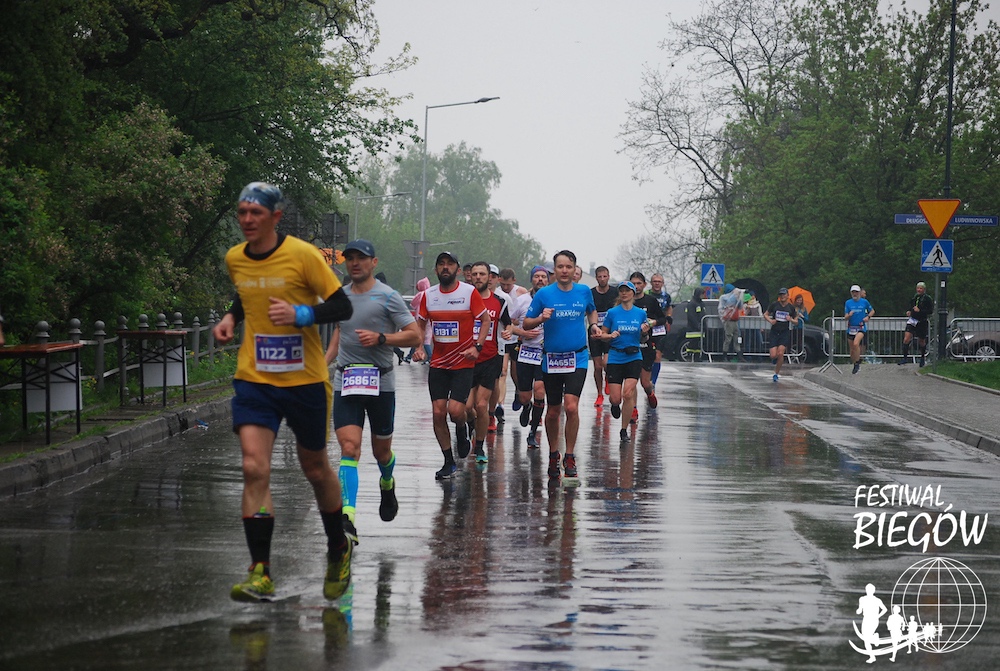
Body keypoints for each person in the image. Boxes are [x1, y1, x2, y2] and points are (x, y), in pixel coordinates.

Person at [213, 182, 355, 602]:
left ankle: (338, 546)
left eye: (255, 213)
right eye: (242, 212)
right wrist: (230, 318)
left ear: (275, 217)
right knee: (253, 467)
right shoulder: (235, 258)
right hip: (255, 378)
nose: (247, 220)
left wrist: (301, 313)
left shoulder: (303, 255)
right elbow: (246, 293)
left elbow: (342, 306)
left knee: (316, 469)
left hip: (304, 380)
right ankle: (260, 571)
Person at [323, 239, 422, 545]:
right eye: (350, 258)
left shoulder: (388, 297)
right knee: (349, 448)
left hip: (381, 383)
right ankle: (347, 518)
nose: (355, 263)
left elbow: (415, 336)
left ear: (373, 262)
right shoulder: (339, 297)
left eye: (361, 258)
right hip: (347, 381)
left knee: (381, 452)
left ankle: (387, 482)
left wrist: (382, 338)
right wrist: (321, 365)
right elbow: (339, 332)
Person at [412, 251, 491, 479]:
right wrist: (419, 347)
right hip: (438, 363)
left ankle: (462, 428)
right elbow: (420, 324)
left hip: (462, 363)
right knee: (438, 413)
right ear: (436, 269)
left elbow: (485, 320)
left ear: (457, 269)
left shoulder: (468, 293)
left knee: (456, 411)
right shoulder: (429, 295)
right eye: (441, 264)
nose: (445, 267)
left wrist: (477, 347)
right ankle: (448, 461)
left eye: (450, 264)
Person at [523, 250, 597, 480]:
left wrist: (594, 325)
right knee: (553, 410)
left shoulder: (584, 291)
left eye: (569, 267)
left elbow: (592, 311)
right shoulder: (544, 294)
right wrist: (541, 318)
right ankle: (554, 453)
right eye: (560, 267)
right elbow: (526, 323)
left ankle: (570, 455)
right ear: (554, 270)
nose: (565, 271)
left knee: (572, 407)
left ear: (575, 269)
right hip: (552, 359)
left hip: (578, 357)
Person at [465, 261, 511, 463]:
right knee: (467, 407)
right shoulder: (463, 300)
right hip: (466, 359)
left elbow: (508, 323)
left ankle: (480, 447)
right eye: (474, 274)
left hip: (489, 358)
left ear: (489, 277)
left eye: (482, 274)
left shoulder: (499, 302)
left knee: (481, 405)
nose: (478, 277)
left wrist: (508, 331)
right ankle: (471, 426)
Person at [597, 281, 648, 442]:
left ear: (633, 293)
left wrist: (644, 333)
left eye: (627, 290)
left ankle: (624, 430)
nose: (624, 293)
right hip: (615, 356)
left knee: (628, 394)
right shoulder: (612, 313)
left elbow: (644, 338)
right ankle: (614, 404)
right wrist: (610, 336)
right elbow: (602, 335)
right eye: (622, 291)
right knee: (616, 398)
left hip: (634, 356)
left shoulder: (640, 313)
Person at [508, 265, 549, 448]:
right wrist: (522, 332)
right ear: (532, 279)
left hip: (544, 353)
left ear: (548, 280)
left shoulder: (553, 299)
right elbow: (508, 324)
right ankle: (526, 406)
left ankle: (532, 432)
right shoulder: (522, 300)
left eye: (543, 277)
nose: (540, 279)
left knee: (540, 390)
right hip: (525, 352)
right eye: (537, 276)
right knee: (525, 396)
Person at [630, 272, 667, 420]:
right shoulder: (625, 301)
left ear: (645, 285)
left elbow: (663, 319)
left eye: (639, 283)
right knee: (631, 381)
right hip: (630, 345)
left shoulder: (651, 301)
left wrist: (653, 322)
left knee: (645, 382)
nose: (636, 287)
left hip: (646, 345)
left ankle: (650, 392)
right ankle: (633, 409)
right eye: (633, 284)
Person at [589, 266, 616, 407]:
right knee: (598, 366)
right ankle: (599, 394)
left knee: (607, 363)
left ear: (608, 276)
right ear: (596, 278)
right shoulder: (591, 293)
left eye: (605, 276)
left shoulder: (615, 292)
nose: (602, 279)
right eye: (600, 277)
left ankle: (608, 378)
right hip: (595, 331)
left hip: (609, 332)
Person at [764, 287, 798, 381]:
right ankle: (774, 359)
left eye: (784, 294)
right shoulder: (774, 305)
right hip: (774, 331)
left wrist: (790, 319)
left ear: (787, 296)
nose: (782, 296)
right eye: (781, 295)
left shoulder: (791, 307)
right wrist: (771, 321)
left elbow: (796, 321)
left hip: (784, 332)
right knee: (773, 355)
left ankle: (776, 373)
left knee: (780, 353)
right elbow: (765, 314)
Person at [900, 281, 933, 367]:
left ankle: (922, 358)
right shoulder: (915, 297)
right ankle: (905, 358)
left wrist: (920, 311)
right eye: (918, 288)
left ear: (924, 289)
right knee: (906, 338)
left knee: (921, 340)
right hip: (912, 320)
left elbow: (930, 311)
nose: (919, 290)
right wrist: (909, 311)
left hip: (921, 321)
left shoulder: (927, 299)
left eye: (920, 288)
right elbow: (911, 306)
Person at [647, 273, 672, 384]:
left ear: (662, 283)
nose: (657, 283)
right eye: (655, 281)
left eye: (659, 281)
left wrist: (669, 317)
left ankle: (653, 382)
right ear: (651, 283)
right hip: (647, 327)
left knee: (658, 354)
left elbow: (669, 307)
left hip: (660, 327)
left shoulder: (666, 296)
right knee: (648, 354)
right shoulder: (646, 294)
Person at [845, 284, 875, 374]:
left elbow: (872, 311)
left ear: (859, 293)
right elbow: (845, 317)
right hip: (851, 328)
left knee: (856, 343)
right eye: (853, 292)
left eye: (856, 292)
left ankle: (857, 363)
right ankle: (855, 363)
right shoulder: (848, 303)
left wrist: (868, 317)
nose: (855, 294)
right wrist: (849, 315)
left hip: (861, 327)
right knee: (852, 350)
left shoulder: (864, 302)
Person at [856, 583, 888, 664]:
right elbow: (860, 609)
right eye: (867, 589)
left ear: (873, 591)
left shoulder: (877, 600)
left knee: (867, 638)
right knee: (865, 640)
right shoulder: (862, 599)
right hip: (866, 619)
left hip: (873, 620)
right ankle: (872, 656)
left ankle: (874, 637)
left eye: (870, 590)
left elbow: (884, 609)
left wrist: (878, 616)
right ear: (866, 590)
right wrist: (858, 611)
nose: (869, 591)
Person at [719, 284, 746, 362]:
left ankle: (739, 355)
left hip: (735, 320)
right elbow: (727, 304)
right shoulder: (724, 297)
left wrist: (739, 298)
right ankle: (724, 356)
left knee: (737, 338)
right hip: (728, 320)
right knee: (728, 338)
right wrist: (735, 296)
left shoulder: (736, 297)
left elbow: (740, 307)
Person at [409, 277, 433, 363]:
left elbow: (412, 304)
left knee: (418, 337)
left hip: (420, 317)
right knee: (427, 338)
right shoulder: (431, 294)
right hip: (430, 318)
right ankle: (410, 356)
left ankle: (430, 356)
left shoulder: (420, 294)